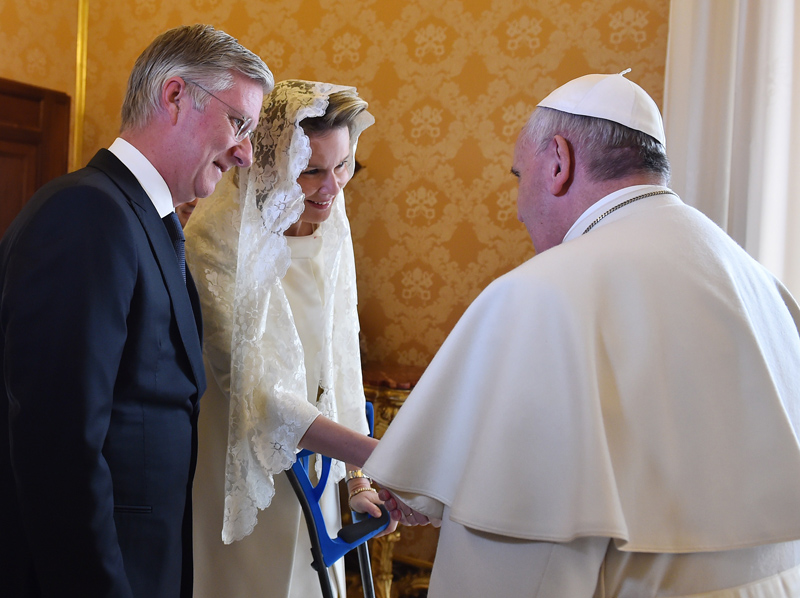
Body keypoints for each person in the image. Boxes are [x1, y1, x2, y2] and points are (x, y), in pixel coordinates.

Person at [363, 72, 800, 597]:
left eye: (518, 175)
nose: (520, 207)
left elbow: (520, 545)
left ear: (558, 161)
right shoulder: (753, 276)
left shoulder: (541, 292)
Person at [0, 24, 272, 598]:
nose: (246, 152)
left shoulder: (144, 220)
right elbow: (60, 443)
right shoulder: (87, 214)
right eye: (239, 123)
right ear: (175, 96)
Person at [185, 80, 415, 598]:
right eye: (311, 170)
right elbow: (258, 396)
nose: (331, 188)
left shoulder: (330, 224)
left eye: (342, 166)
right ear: (268, 164)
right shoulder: (215, 240)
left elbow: (339, 356)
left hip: (321, 465)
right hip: (243, 463)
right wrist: (386, 457)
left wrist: (356, 477)